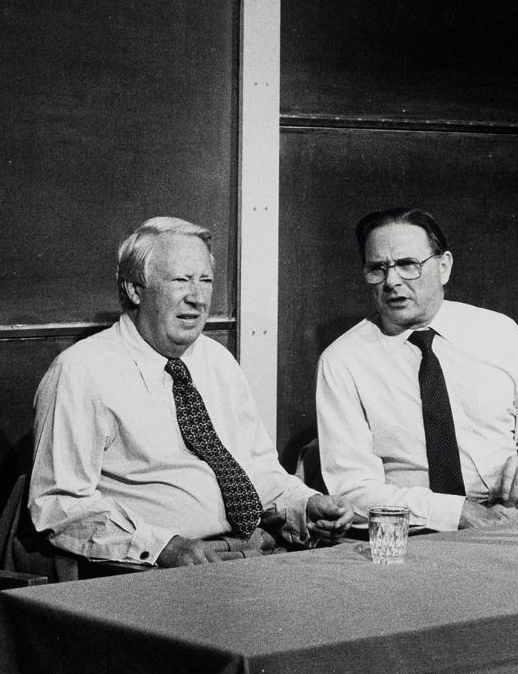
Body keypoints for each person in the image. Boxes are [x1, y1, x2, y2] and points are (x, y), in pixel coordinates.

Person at [29, 216, 352, 568]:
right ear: (135, 289)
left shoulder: (217, 361)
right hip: (154, 569)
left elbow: (257, 470)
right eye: (181, 280)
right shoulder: (81, 371)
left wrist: (304, 505)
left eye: (205, 281)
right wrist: (165, 548)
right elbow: (59, 504)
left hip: (255, 549)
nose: (197, 298)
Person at [316, 207, 518, 531]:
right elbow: (353, 490)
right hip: (414, 532)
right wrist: (456, 513)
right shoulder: (342, 362)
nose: (391, 281)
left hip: (517, 518)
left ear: (444, 266)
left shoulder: (499, 333)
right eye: (377, 268)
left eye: (407, 265)